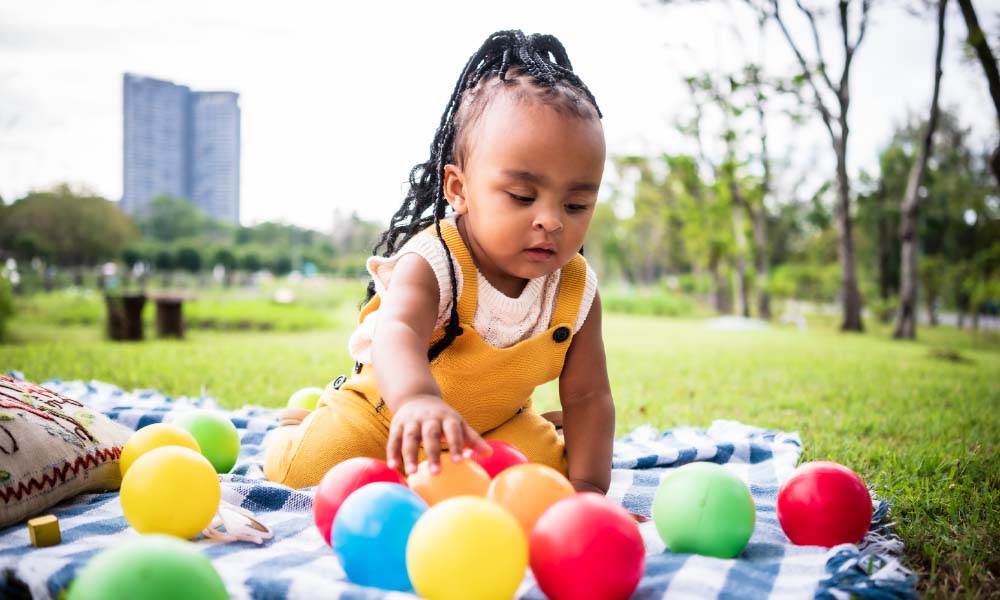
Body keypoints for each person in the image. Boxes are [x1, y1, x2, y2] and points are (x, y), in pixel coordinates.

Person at [264, 30, 615, 495]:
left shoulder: (575, 290)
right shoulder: (434, 261)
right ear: (458, 190)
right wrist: (417, 403)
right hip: (389, 413)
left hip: (493, 425)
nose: (550, 221)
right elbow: (398, 335)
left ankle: (546, 449)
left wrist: (588, 491)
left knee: (547, 485)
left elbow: (589, 396)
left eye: (575, 206)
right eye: (522, 196)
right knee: (311, 471)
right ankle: (298, 427)